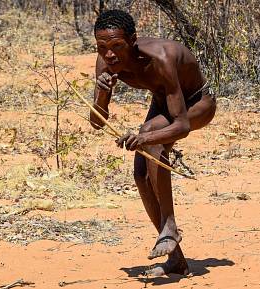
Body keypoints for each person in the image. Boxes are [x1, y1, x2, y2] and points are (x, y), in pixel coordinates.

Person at [90, 9, 216, 276]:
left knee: (149, 136)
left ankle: (169, 225)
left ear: (133, 41)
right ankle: (176, 260)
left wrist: (145, 137)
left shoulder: (161, 59)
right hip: (163, 104)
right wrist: (102, 93)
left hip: (198, 103)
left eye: (117, 46)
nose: (109, 54)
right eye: (102, 47)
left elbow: (180, 125)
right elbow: (96, 122)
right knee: (140, 175)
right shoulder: (105, 62)